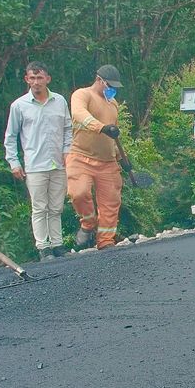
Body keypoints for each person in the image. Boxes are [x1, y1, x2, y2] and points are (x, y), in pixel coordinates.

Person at [3, 61, 73, 260]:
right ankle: (43, 247)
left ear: (47, 79)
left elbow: (68, 129)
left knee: (56, 207)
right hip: (35, 164)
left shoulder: (59, 101)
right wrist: (14, 162)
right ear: (27, 79)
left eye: (40, 77)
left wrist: (67, 151)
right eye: (32, 78)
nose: (36, 82)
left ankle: (58, 244)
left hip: (58, 162)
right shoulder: (19, 106)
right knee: (39, 207)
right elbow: (11, 136)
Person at [67, 64, 125, 250]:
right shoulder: (82, 95)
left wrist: (122, 158)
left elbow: (114, 135)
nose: (112, 90)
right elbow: (79, 114)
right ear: (100, 80)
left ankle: (106, 240)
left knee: (111, 201)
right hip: (81, 156)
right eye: (110, 85)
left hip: (107, 162)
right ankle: (88, 223)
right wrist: (101, 127)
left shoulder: (113, 104)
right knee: (78, 193)